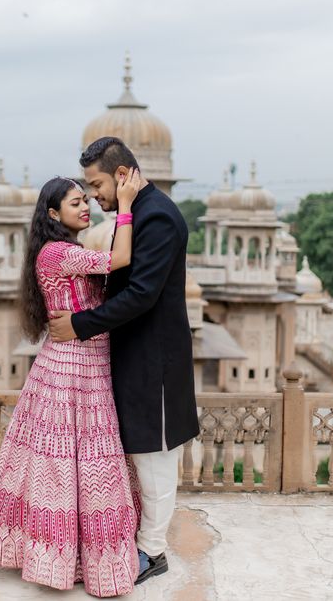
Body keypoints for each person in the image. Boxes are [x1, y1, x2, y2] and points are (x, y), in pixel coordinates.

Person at [0, 171, 143, 597]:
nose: (85, 206)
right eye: (74, 202)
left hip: (86, 363)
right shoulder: (56, 253)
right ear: (53, 213)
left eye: (86, 199)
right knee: (65, 463)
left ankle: (76, 556)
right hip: (70, 369)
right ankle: (57, 556)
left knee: (83, 461)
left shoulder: (66, 249)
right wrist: (124, 207)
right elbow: (118, 260)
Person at [49, 136, 199, 585]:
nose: (93, 196)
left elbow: (141, 294)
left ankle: (153, 551)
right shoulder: (138, 213)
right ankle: (139, 542)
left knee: (155, 457)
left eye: (96, 185)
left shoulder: (158, 217)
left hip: (155, 358)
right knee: (139, 452)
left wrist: (79, 324)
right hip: (137, 353)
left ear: (120, 175)